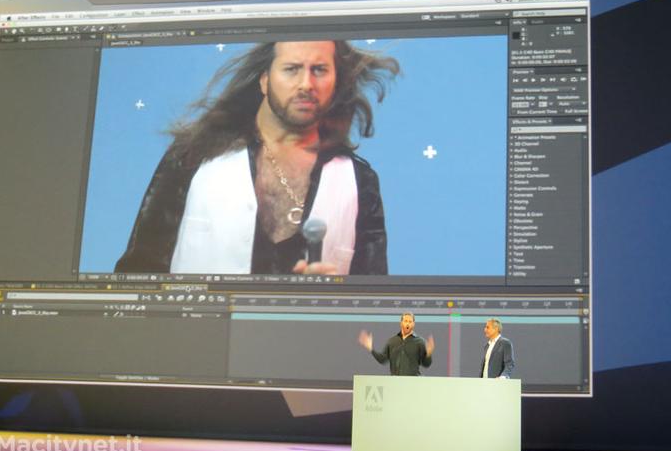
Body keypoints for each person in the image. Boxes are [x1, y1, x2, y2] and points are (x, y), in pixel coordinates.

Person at [115, 40, 399, 276]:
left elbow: (375, 303)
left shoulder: (359, 181)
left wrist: (338, 299)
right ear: (264, 80)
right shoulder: (193, 156)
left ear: (336, 84)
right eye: (292, 69)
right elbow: (135, 276)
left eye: (319, 70)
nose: (306, 84)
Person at [358, 313, 434, 375]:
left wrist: (429, 354)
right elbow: (382, 359)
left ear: (413, 324)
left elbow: (426, 364)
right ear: (401, 323)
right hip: (395, 383)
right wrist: (371, 348)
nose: (407, 323)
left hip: (413, 383)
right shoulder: (392, 341)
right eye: (405, 321)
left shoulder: (420, 342)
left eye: (410, 322)